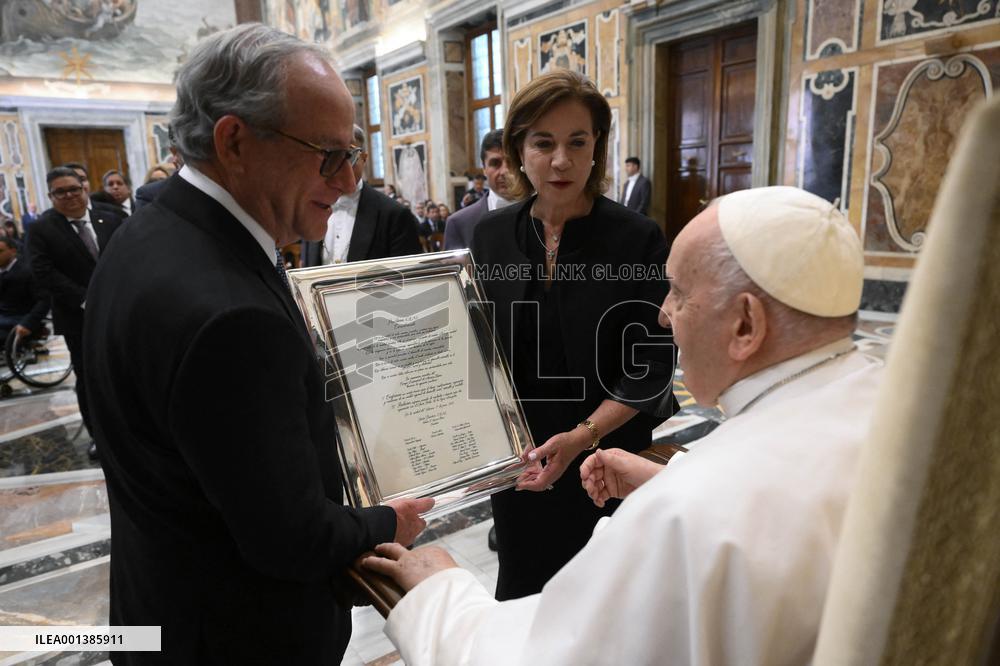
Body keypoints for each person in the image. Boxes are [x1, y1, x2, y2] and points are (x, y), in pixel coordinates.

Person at [364, 186, 881, 665]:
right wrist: (671, 479)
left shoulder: (686, 514)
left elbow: (549, 656)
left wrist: (438, 593)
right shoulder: (878, 402)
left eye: (678, 292)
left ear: (745, 325)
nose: (662, 315)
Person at [81, 24, 431, 665]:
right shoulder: (233, 316)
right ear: (235, 140)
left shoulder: (149, 231)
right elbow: (290, 537)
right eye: (328, 154)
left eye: (354, 152)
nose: (351, 178)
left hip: (160, 604)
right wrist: (388, 522)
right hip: (237, 636)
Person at [465, 70, 676, 600]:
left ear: (596, 147)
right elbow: (476, 351)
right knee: (523, 598)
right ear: (518, 149)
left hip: (605, 464)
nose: (561, 160)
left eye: (577, 142)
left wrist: (582, 438)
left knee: (607, 604)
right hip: (523, 467)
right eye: (544, 143)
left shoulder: (636, 237)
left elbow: (649, 368)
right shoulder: (490, 236)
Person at [28, 167, 125, 461]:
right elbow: (42, 272)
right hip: (77, 318)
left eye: (74, 188)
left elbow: (132, 254)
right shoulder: (42, 229)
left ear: (84, 188)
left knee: (126, 372)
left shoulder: (111, 217)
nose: (69, 195)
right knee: (90, 378)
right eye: (60, 191)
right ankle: (99, 437)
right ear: (51, 196)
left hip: (121, 312)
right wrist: (86, 299)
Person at [301, 125, 421, 265]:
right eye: (331, 156)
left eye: (349, 157)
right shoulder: (310, 207)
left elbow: (407, 279)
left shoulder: (395, 215)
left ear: (364, 158)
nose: (339, 166)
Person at [444, 129, 515, 250]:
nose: (505, 171)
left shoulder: (547, 214)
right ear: (484, 169)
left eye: (512, 162)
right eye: (495, 163)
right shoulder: (459, 224)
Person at [0, 236, 48, 344]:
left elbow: (44, 301)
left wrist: (28, 323)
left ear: (13, 251)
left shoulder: (28, 272)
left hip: (19, 319)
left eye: (0, 251)